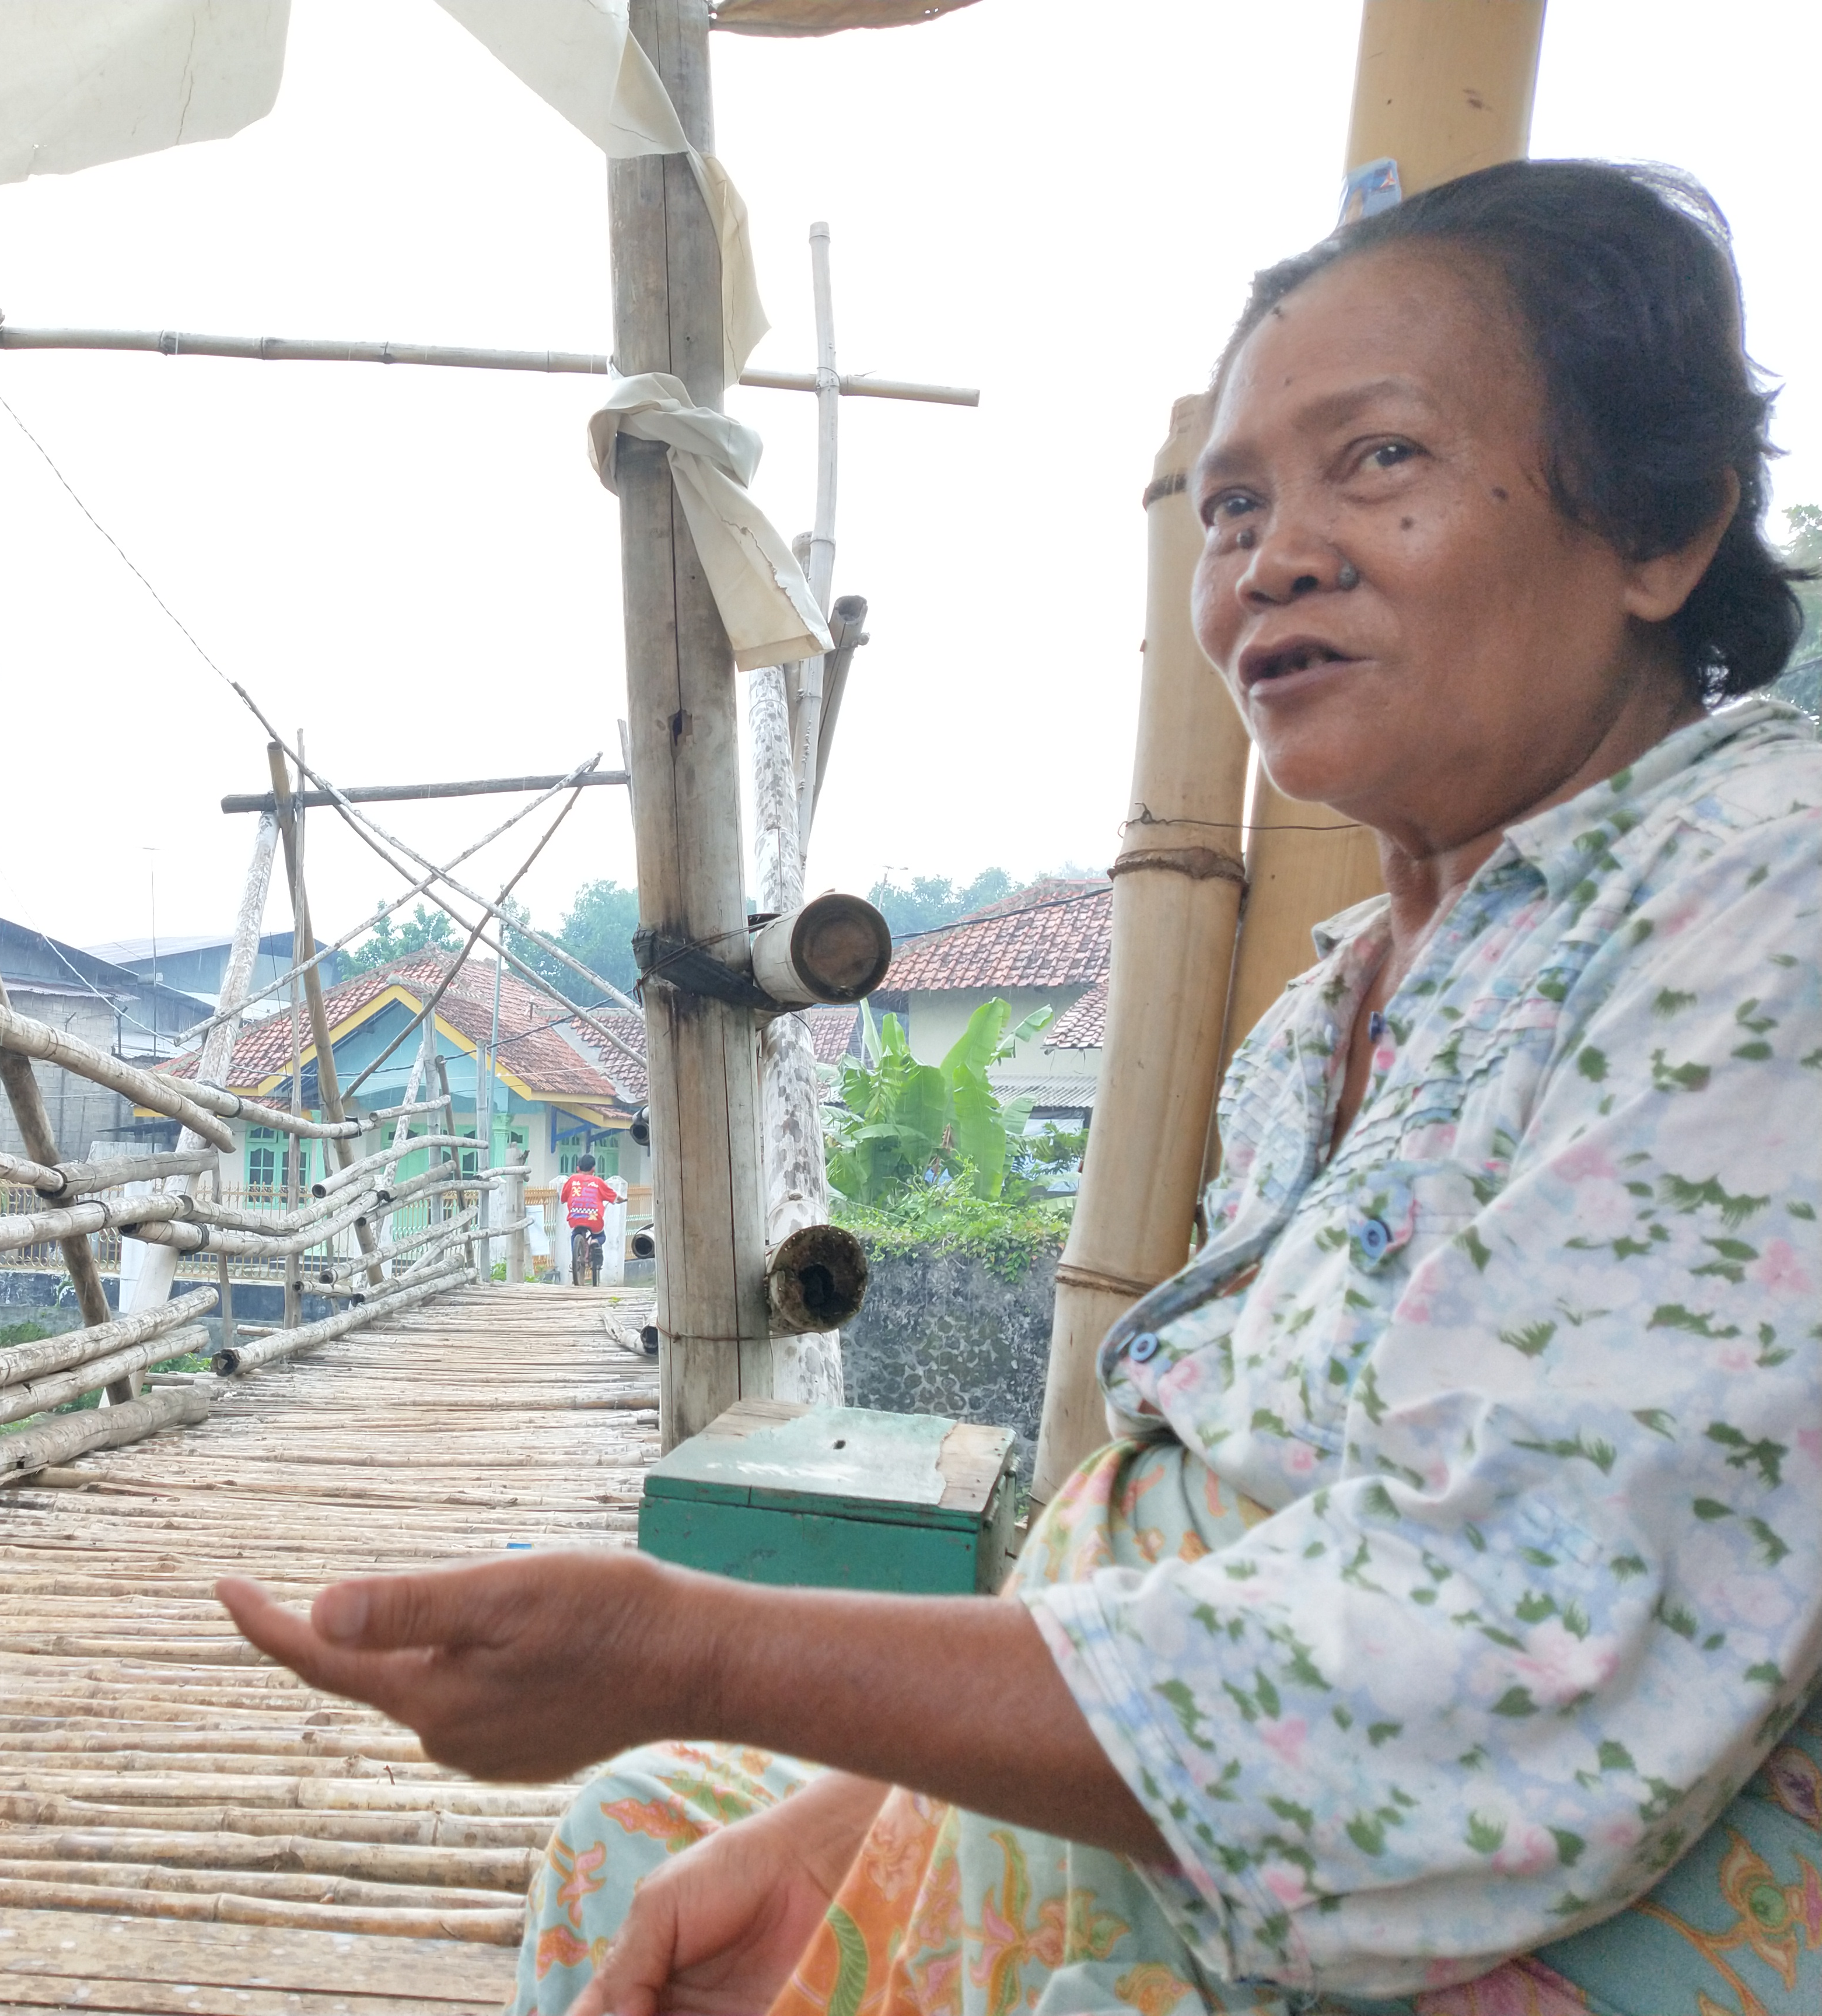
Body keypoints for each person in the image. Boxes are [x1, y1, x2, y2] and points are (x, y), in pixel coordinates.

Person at [221, 159, 1821, 2016]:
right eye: (1233, 505)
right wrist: (862, 1802)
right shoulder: (1335, 1007)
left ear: (1665, 525)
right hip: (1247, 1787)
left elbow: (1501, 1667)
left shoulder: (1763, 903)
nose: (1274, 557)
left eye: (1378, 461)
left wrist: (699, 1652)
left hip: (1549, 1884)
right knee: (659, 1840)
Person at [561, 1153, 623, 1286]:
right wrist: (622, 1199)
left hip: (576, 1217)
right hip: (593, 1218)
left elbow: (563, 1198)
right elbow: (615, 1197)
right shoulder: (599, 1182)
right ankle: (594, 1241)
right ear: (593, 1169)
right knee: (601, 1236)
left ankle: (576, 1258)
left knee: (575, 1235)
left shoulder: (572, 1180)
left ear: (578, 1168)